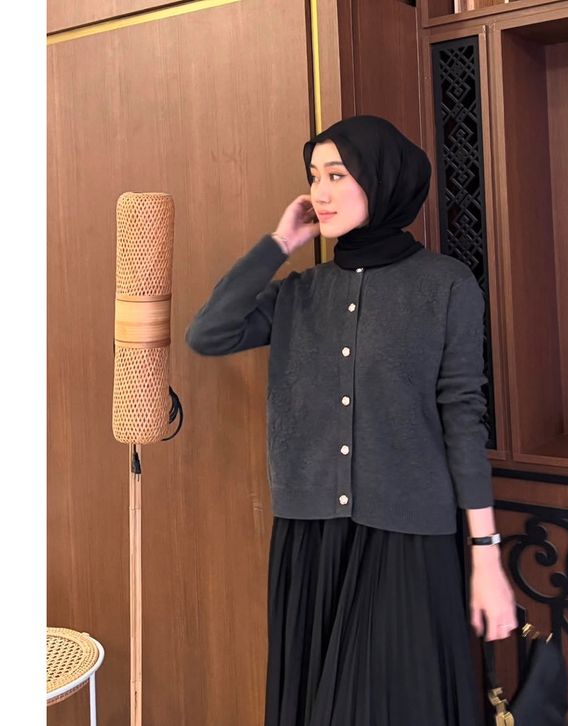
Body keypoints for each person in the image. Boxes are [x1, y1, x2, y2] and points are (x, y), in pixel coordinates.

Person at [186, 114, 517, 726]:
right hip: (312, 538)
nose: (321, 191)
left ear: (382, 179)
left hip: (407, 537)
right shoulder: (299, 291)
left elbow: (463, 420)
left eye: (337, 174)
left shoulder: (445, 285)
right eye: (314, 176)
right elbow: (209, 334)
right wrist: (279, 244)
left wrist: (486, 557)